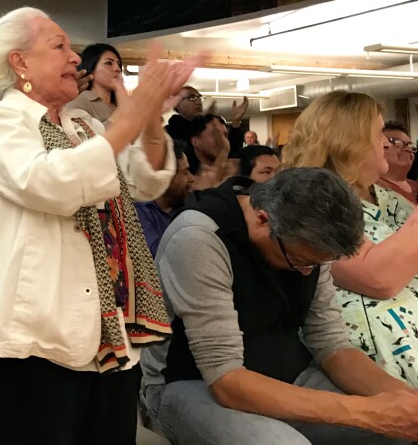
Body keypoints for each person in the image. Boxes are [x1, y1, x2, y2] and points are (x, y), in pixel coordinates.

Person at [0, 6, 200, 445]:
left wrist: (148, 118)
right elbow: (55, 183)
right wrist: (130, 118)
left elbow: (146, 181)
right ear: (20, 63)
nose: (75, 58)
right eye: (59, 47)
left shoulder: (84, 126)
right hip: (33, 340)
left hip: (108, 333)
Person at [141, 167, 418, 444]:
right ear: (263, 219)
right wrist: (369, 413)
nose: (309, 273)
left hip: (283, 371)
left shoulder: (307, 246)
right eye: (300, 260)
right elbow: (225, 378)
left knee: (400, 430)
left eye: (318, 264)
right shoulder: (198, 237)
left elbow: (333, 345)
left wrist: (402, 400)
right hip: (189, 381)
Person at [284, 92, 418, 388]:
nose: (386, 142)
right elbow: (377, 276)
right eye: (378, 132)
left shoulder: (385, 198)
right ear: (347, 141)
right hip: (380, 363)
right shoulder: (308, 201)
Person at [135, 142, 194, 256]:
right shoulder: (139, 213)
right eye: (185, 172)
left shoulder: (190, 205)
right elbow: (159, 254)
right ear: (166, 178)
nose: (192, 178)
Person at [166, 85, 248, 152]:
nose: (198, 102)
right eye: (192, 97)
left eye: (199, 98)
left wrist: (236, 122)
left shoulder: (208, 126)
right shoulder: (170, 132)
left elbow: (230, 152)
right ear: (177, 105)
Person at [67, 43, 123, 124]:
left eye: (118, 64)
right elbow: (87, 136)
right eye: (108, 63)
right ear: (91, 68)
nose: (117, 69)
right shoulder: (79, 103)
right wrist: (121, 113)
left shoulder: (118, 103)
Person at [188, 114, 236, 190]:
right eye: (215, 135)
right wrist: (223, 152)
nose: (222, 141)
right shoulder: (187, 176)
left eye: (225, 135)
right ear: (195, 141)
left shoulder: (235, 170)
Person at [377, 120, 418, 204]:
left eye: (410, 145)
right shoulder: (372, 188)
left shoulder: (415, 186)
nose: (408, 149)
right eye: (397, 142)